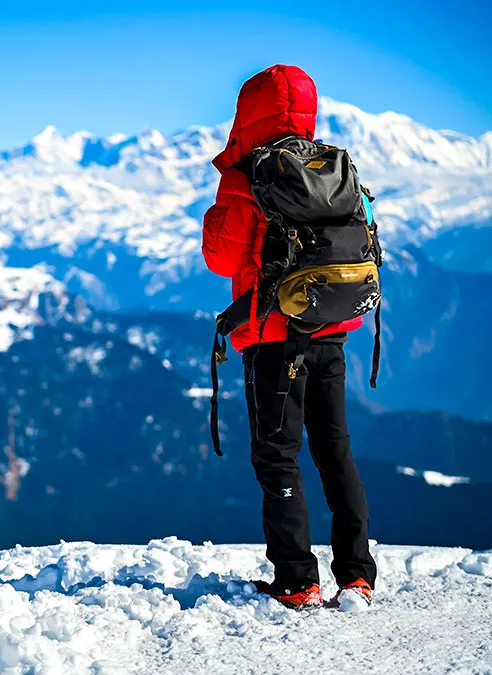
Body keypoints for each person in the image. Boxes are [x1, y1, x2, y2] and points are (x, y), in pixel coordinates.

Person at [201, 64, 377, 609]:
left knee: (278, 457)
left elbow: (220, 256)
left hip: (275, 337)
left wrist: (219, 208)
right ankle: (356, 574)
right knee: (335, 451)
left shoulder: (248, 175)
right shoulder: (334, 168)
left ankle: (297, 580)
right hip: (335, 328)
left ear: (246, 115)